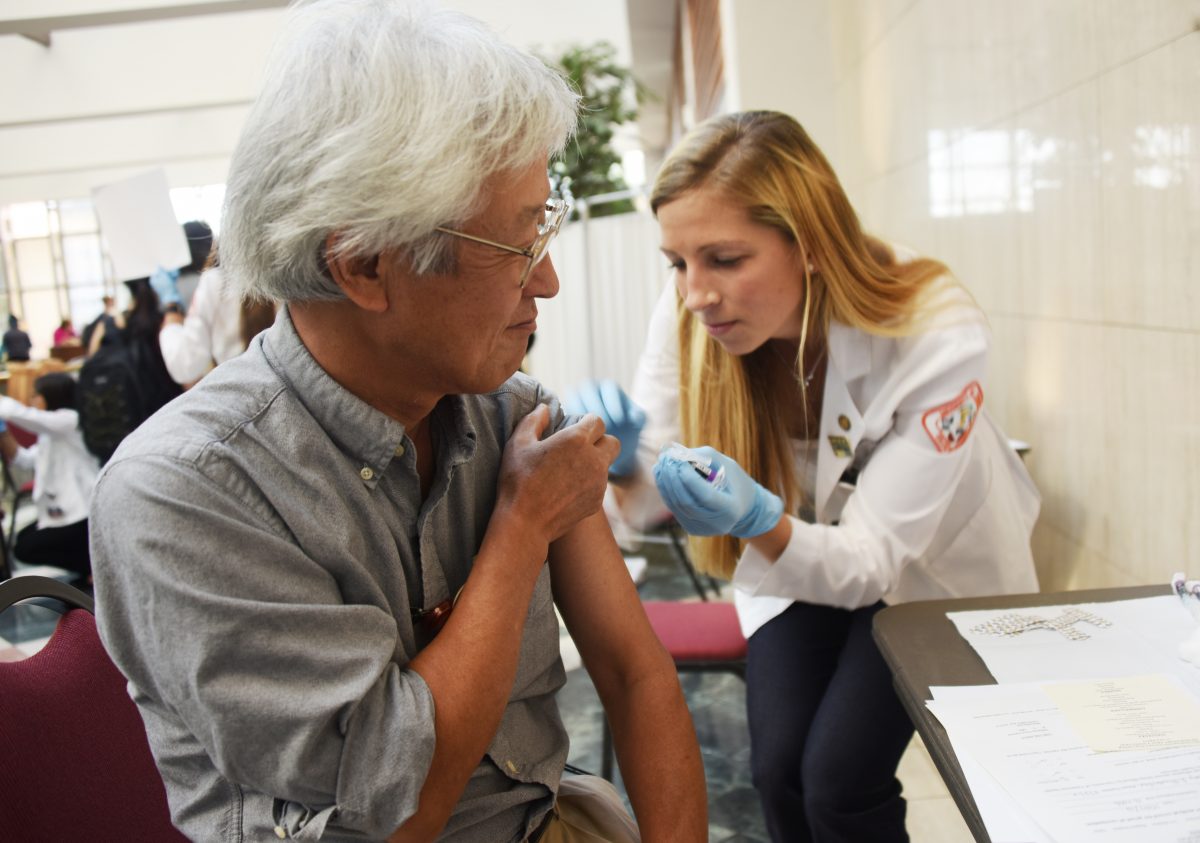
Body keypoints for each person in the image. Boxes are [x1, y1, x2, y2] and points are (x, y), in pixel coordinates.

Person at [90, 3, 707, 842]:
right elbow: (395, 813)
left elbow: (638, 676)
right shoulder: (189, 493)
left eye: (544, 224)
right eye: (519, 242)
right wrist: (519, 528)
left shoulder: (512, 420)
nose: (550, 280)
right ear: (366, 266)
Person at [569, 110, 1040, 843]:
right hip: (794, 553)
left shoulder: (934, 330)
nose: (695, 293)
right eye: (677, 261)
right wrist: (623, 460)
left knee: (840, 782)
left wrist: (757, 518)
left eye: (725, 259)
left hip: (926, 569)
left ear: (811, 244)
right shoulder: (693, 306)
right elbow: (647, 483)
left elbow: (869, 562)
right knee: (779, 770)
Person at [0, 373, 101, 584]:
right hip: (64, 511)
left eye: (35, 395)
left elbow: (24, 415)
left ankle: (94, 565)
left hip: (85, 513)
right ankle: (90, 565)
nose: (32, 401)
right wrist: (3, 433)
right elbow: (25, 459)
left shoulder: (71, 421)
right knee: (24, 542)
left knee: (28, 546)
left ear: (50, 396)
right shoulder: (50, 435)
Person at [159, 261, 277, 386]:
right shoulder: (289, 272)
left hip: (236, 394)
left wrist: (171, 306)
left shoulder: (215, 282)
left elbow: (185, 364)